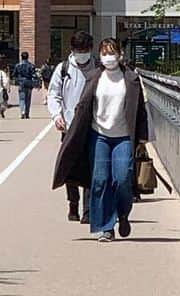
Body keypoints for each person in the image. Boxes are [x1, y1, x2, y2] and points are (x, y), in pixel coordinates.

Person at [52, 38, 149, 244]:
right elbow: (83, 107)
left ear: (120, 54)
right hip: (99, 136)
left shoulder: (131, 79)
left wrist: (142, 137)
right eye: (104, 53)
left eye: (112, 52)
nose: (108, 57)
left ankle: (122, 213)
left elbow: (140, 110)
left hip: (123, 137)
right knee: (100, 180)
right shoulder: (95, 78)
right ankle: (106, 226)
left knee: (122, 178)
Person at [47, 30, 95, 223]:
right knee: (70, 166)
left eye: (85, 50)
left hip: (93, 126)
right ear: (73, 50)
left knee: (91, 168)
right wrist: (56, 115)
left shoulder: (98, 67)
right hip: (69, 126)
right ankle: (72, 204)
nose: (82, 53)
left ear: (90, 49)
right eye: (78, 49)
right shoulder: (63, 68)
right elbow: (53, 93)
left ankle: (89, 210)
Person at [14, 51, 38, 119]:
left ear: (21, 57)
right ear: (28, 57)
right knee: (28, 99)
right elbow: (34, 75)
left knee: (22, 98)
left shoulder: (18, 65)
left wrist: (17, 80)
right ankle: (27, 113)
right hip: (29, 82)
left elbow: (14, 74)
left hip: (21, 83)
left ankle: (22, 111)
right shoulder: (31, 65)